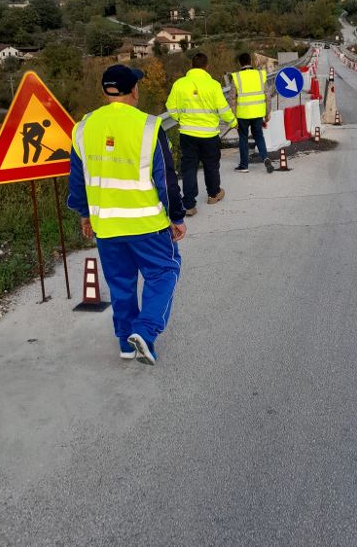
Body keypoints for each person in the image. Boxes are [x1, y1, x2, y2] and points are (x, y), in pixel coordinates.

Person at [68, 64, 186, 365]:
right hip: (148, 224)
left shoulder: (83, 127)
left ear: (106, 91)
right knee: (164, 273)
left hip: (106, 226)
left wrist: (85, 214)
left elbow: (77, 179)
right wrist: (177, 216)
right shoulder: (148, 126)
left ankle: (125, 343)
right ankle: (145, 333)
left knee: (121, 284)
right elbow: (166, 179)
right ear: (133, 90)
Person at [165, 53, 237, 216]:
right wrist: (233, 122)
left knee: (189, 168)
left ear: (192, 66)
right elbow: (223, 108)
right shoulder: (213, 85)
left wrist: (180, 118)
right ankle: (213, 194)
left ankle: (189, 204)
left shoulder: (179, 84)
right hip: (209, 135)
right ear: (207, 66)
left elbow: (170, 106)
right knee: (211, 165)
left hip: (187, 134)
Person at [230, 52, 274, 174]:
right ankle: (265, 157)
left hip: (243, 115)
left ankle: (244, 165)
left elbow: (232, 99)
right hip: (258, 113)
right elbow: (267, 95)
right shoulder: (260, 75)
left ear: (240, 63)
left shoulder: (237, 77)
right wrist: (267, 113)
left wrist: (233, 118)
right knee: (259, 135)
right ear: (251, 61)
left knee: (243, 138)